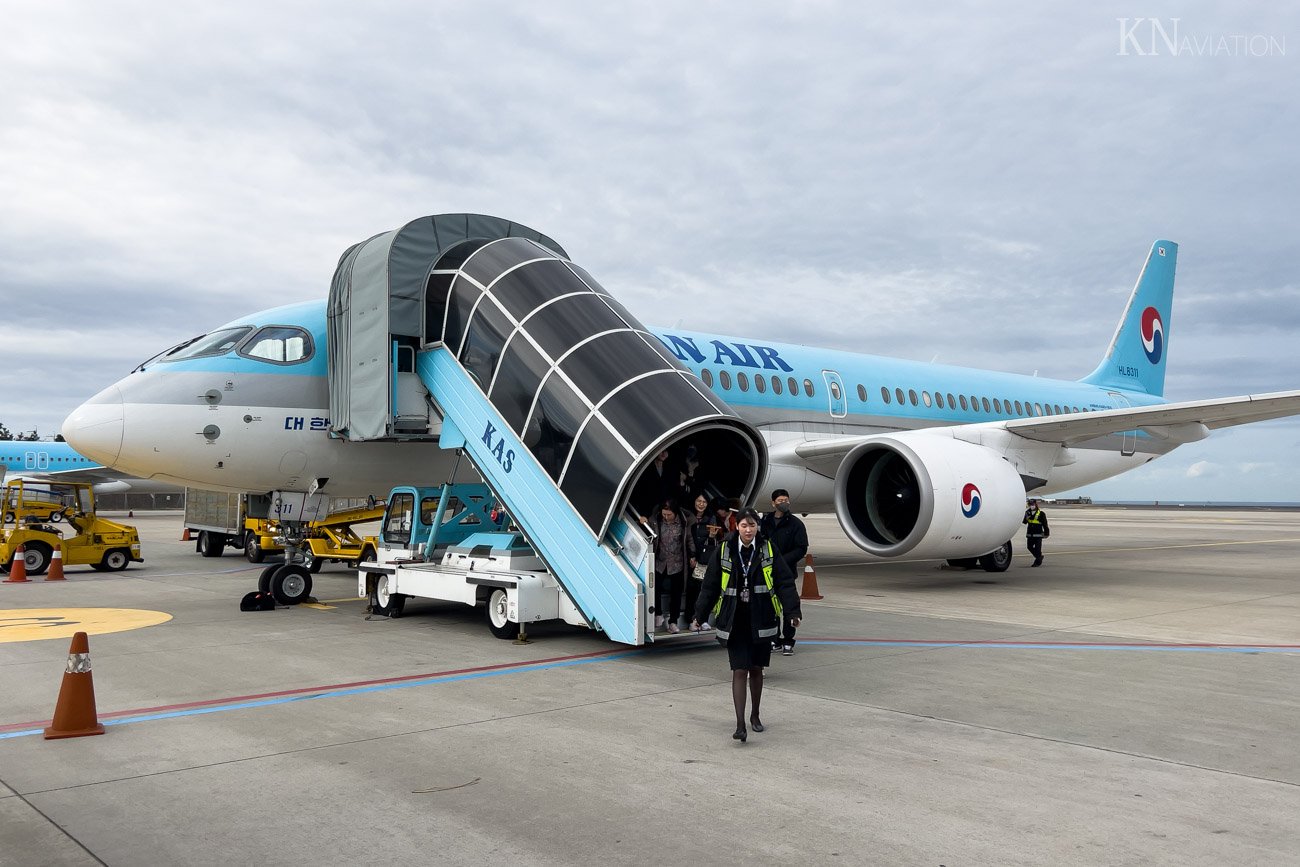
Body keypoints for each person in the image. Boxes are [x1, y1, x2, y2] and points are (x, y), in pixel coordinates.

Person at [692, 508, 802, 743]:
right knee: (739, 670)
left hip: (761, 618)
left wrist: (793, 612)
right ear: (736, 527)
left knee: (756, 669)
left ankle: (755, 715)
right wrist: (699, 614)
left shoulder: (768, 549)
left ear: (757, 527)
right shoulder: (724, 550)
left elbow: (784, 582)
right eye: (744, 525)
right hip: (734, 620)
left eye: (752, 525)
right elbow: (710, 585)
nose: (748, 530)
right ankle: (740, 724)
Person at [761, 489, 808, 656]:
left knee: (790, 606)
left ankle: (789, 640)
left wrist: (781, 560)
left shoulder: (796, 524)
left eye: (786, 500)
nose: (784, 503)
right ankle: (774, 638)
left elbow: (801, 548)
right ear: (773, 503)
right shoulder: (765, 522)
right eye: (780, 500)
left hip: (786, 572)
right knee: (771, 608)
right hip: (767, 573)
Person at [646, 499, 695, 632]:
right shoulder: (656, 521)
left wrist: (693, 555)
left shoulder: (683, 523)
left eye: (669, 515)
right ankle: (658, 613)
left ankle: (673, 621)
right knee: (655, 587)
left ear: (675, 513)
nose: (666, 517)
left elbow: (689, 539)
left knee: (676, 593)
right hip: (660, 561)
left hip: (677, 562)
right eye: (664, 514)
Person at [688, 496, 722, 625]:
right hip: (688, 557)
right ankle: (690, 618)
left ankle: (701, 619)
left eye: (704, 502)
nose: (701, 504)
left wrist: (712, 536)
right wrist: (691, 555)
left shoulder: (711, 518)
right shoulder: (688, 516)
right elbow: (687, 537)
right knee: (691, 590)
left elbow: (714, 541)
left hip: (703, 559)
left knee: (703, 589)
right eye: (698, 501)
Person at [1023, 498, 1050, 566]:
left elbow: (1045, 524)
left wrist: (1046, 533)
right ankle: (1039, 557)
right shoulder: (1027, 513)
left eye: (1032, 504)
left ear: (1035, 504)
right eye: (1030, 504)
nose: (1031, 506)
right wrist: (1026, 518)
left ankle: (1037, 562)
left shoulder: (1041, 514)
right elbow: (1024, 522)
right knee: (1029, 547)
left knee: (1038, 549)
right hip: (1030, 534)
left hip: (1038, 535)